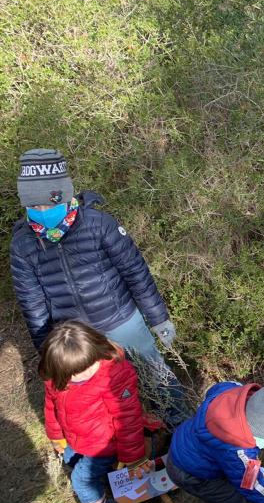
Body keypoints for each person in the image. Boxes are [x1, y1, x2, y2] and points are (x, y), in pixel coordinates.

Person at [10, 149, 188, 425]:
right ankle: (132, 442)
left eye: (51, 202)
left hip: (122, 321)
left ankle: (181, 428)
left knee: (156, 378)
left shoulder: (99, 225)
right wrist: (47, 350)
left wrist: (158, 318)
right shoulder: (22, 244)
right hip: (76, 339)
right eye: (36, 206)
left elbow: (135, 272)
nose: (44, 212)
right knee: (100, 397)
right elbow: (32, 302)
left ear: (66, 193)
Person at [40, 320, 148, 503]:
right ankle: (106, 496)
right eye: (71, 374)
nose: (76, 378)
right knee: (70, 460)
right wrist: (56, 435)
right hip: (78, 438)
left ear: (97, 351)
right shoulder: (58, 373)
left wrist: (133, 456)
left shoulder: (114, 375)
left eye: (82, 370)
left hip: (105, 444)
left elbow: (127, 417)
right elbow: (51, 406)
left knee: (82, 479)